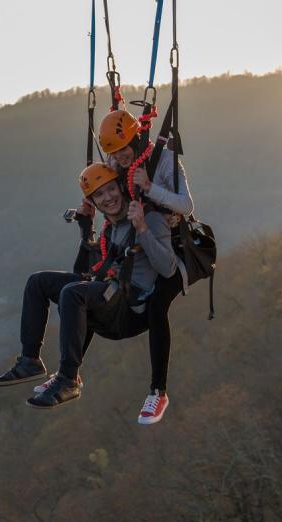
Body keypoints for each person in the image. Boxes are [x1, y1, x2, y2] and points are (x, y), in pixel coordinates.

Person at [0, 164, 177, 411]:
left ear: (121, 187)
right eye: (99, 194)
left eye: (111, 189)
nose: (108, 197)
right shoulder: (110, 230)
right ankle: (30, 360)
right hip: (109, 296)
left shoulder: (148, 218)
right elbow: (84, 273)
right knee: (38, 282)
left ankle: (68, 379)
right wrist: (86, 228)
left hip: (130, 309)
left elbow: (168, 268)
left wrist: (142, 228)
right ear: (93, 202)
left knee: (73, 293)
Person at [98, 109, 195, 423]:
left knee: (157, 306)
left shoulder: (165, 161)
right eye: (113, 153)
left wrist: (150, 187)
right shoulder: (118, 166)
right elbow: (112, 198)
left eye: (123, 149)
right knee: (93, 285)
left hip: (172, 248)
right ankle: (69, 373)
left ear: (136, 139)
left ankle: (158, 392)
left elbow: (186, 205)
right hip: (139, 246)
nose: (119, 157)